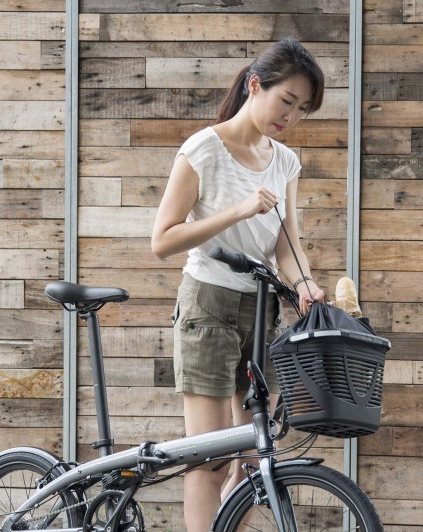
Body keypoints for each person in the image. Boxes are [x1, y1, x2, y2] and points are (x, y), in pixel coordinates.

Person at [150, 38, 326, 531]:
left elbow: (287, 246)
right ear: (255, 84)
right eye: (286, 101)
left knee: (252, 459)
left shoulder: (285, 162)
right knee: (210, 460)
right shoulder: (204, 150)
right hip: (208, 306)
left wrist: (305, 284)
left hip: (262, 311)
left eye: (302, 109)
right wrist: (239, 208)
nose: (290, 116)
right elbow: (162, 240)